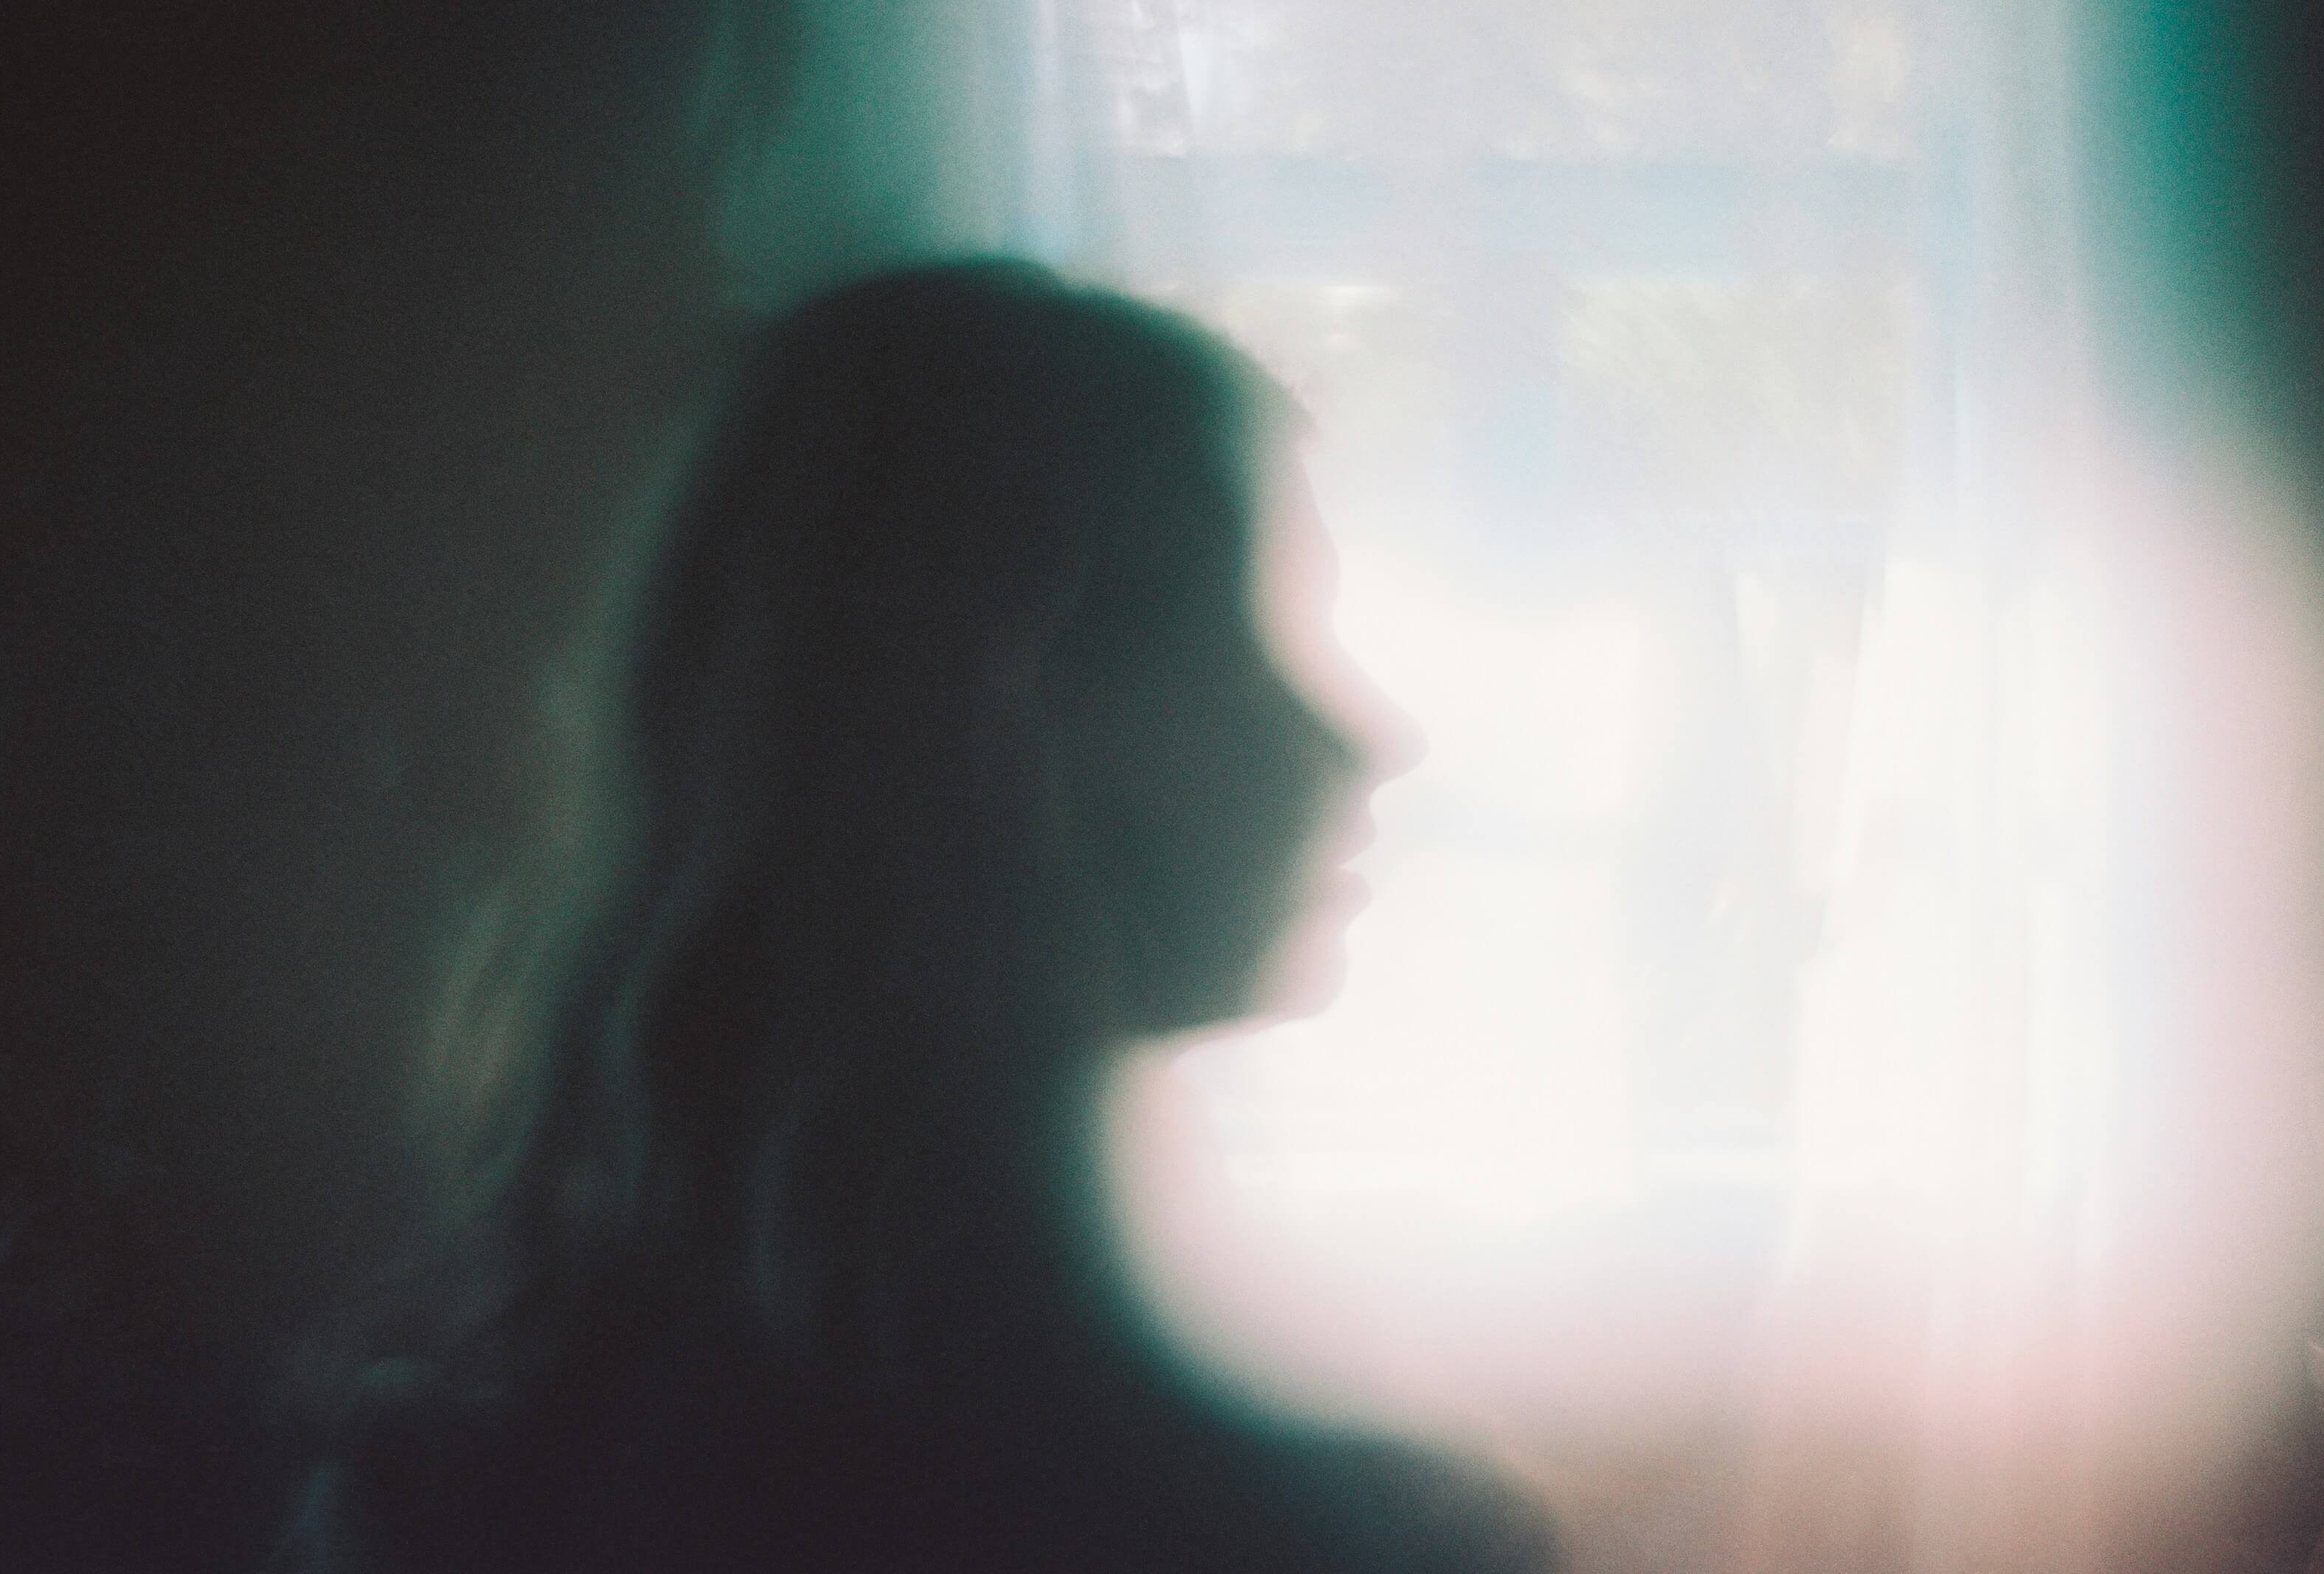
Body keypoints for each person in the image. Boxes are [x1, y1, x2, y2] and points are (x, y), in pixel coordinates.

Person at [298, 262, 1554, 1573]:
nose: (1357, 741)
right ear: (1005, 719)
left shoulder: (463, 1466)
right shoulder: (1282, 1532)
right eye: (1244, 637)